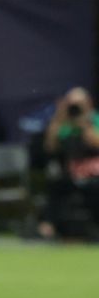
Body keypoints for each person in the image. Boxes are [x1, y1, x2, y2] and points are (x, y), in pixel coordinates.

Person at [40, 87, 99, 238]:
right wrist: (59, 116)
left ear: (88, 103)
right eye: (72, 104)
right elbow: (50, 146)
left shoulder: (95, 119)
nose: (75, 108)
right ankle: (48, 228)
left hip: (94, 174)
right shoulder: (64, 124)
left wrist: (85, 122)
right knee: (55, 184)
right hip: (72, 174)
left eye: (79, 104)